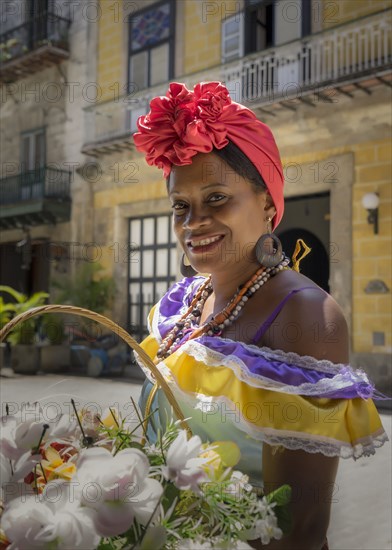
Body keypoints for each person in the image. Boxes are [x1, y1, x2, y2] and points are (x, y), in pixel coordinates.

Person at [133, 81, 388, 549]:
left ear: (268, 203)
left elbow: (298, 530)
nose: (193, 223)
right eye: (181, 206)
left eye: (216, 198)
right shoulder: (182, 300)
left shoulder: (307, 316)